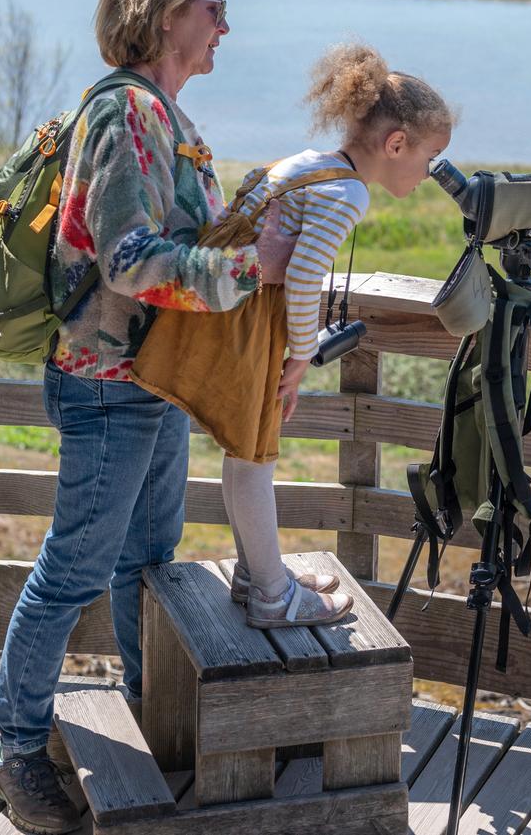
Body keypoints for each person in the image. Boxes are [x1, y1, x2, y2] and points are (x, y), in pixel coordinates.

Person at [0, 0, 293, 835]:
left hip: (148, 383)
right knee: (74, 569)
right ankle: (15, 751)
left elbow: (169, 246)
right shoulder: (127, 114)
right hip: (109, 383)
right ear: (164, 13)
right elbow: (128, 261)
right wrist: (254, 267)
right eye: (213, 8)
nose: (226, 27)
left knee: (145, 565)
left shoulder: (160, 114)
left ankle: (144, 718)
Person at [137, 44, 454, 629]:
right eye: (432, 155)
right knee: (256, 457)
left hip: (233, 310)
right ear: (396, 144)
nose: (432, 171)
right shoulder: (348, 192)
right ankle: (273, 597)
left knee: (244, 452)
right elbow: (306, 273)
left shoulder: (312, 163)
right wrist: (302, 354)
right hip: (251, 322)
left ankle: (260, 572)